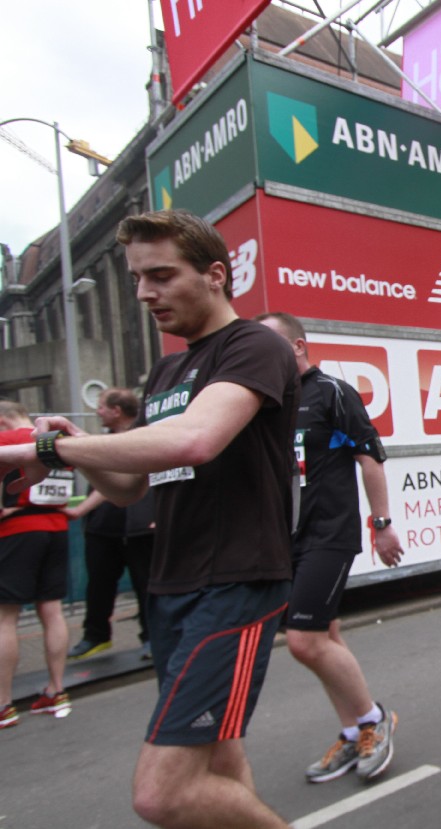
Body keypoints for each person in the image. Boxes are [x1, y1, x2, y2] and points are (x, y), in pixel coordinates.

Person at [0, 209, 300, 829]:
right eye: (137, 278)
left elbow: (195, 440)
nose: (144, 293)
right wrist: (73, 446)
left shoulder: (253, 346)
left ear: (214, 275)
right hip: (171, 584)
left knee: (161, 795)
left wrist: (50, 449)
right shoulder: (166, 370)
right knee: (219, 754)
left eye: (161, 275)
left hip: (235, 580)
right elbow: (129, 485)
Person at [257, 312, 402, 784]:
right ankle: (353, 730)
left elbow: (370, 458)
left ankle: (375, 720)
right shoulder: (265, 403)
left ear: (298, 347)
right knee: (326, 636)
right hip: (285, 539)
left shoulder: (332, 392)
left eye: (270, 346)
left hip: (329, 534)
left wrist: (382, 524)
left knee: (304, 641)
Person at [63, 388, 155, 661]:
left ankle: (151, 637)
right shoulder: (102, 442)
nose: (97, 411)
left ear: (117, 410)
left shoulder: (146, 439)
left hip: (139, 527)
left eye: (102, 406)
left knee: (146, 586)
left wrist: (79, 510)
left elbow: (122, 483)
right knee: (99, 585)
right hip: (104, 527)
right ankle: (95, 636)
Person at [0, 400, 72, 729]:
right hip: (56, 528)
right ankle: (57, 691)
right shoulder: (54, 440)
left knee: (6, 617)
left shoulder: (8, 440)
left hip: (16, 532)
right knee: (52, 610)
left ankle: (4, 704)